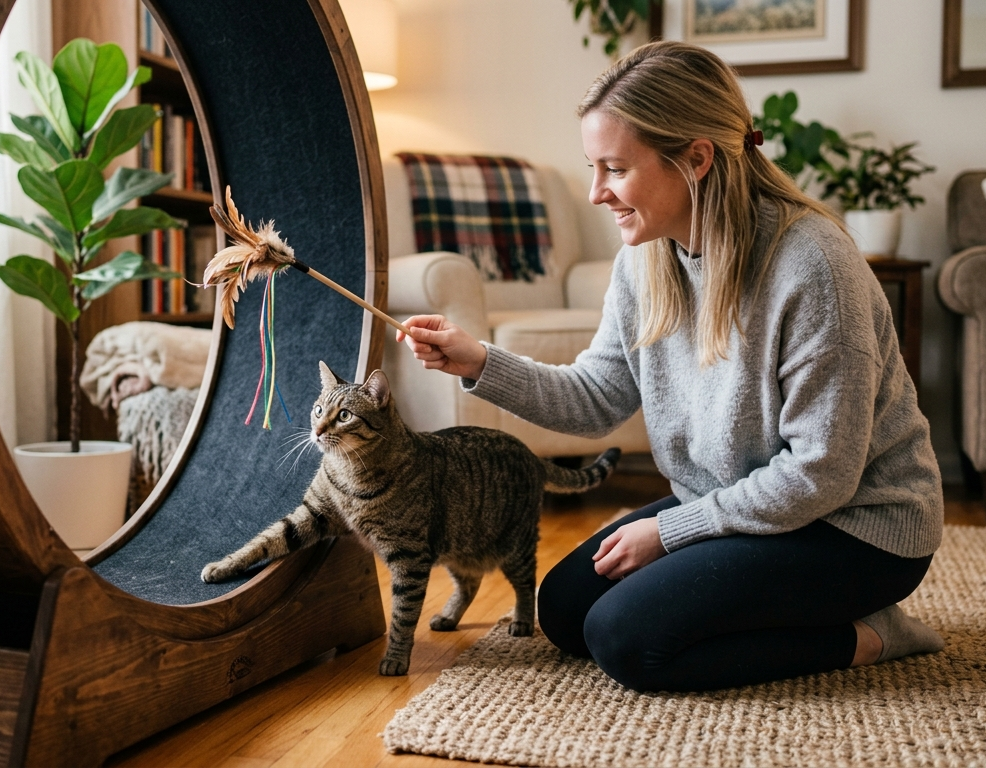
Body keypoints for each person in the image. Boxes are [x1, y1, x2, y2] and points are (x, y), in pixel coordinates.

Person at [396, 41, 946, 693]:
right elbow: (597, 397)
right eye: (592, 167)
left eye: (615, 169)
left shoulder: (813, 266)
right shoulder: (646, 258)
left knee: (628, 643)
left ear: (696, 159)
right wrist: (478, 359)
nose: (598, 192)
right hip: (739, 503)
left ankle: (873, 634)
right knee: (566, 613)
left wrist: (672, 532)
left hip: (856, 527)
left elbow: (821, 472)